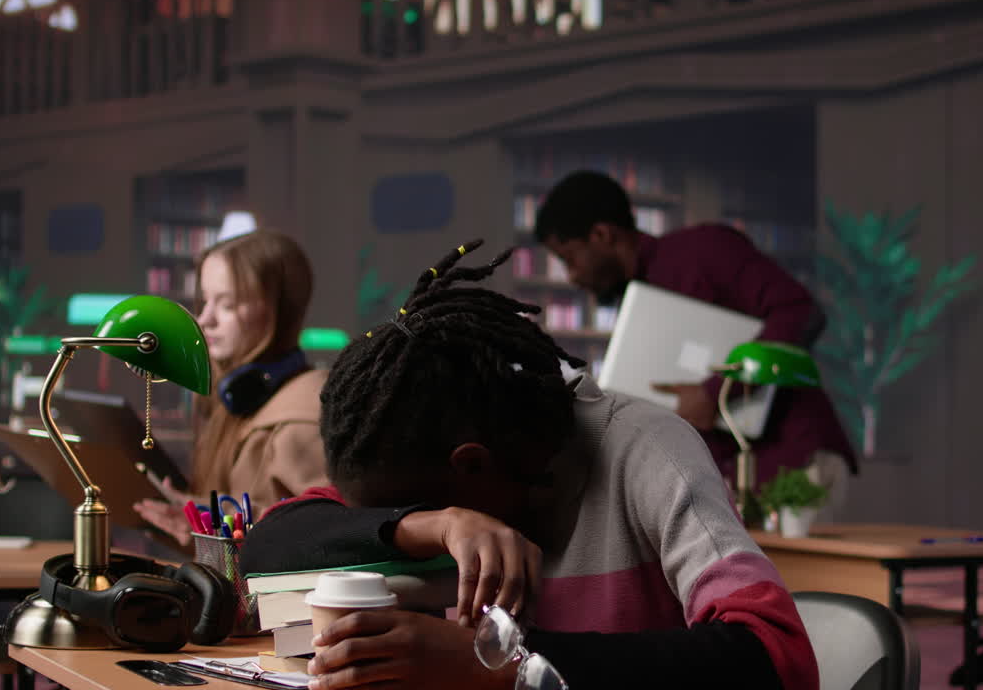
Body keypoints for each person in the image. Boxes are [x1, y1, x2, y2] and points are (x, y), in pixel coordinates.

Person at [240, 240, 817, 690]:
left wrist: (503, 664)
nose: (414, 518)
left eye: (422, 505)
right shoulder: (427, 458)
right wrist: (433, 523)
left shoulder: (649, 451)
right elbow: (266, 546)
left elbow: (776, 655)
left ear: (471, 466)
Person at [534, 170, 856, 518]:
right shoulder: (634, 310)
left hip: (795, 461)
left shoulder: (705, 249)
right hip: (735, 484)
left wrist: (714, 393)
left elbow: (800, 311)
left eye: (569, 258)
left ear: (602, 235)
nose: (572, 276)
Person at [133, 230, 329, 547]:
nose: (204, 319)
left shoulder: (305, 416)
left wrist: (214, 522)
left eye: (227, 304)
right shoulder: (240, 399)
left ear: (279, 311)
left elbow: (327, 530)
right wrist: (196, 514)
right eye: (205, 301)